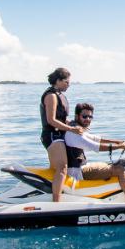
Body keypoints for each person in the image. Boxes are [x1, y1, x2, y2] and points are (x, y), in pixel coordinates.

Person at [63, 102, 125, 202]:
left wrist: (119, 141)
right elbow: (96, 146)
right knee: (119, 169)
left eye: (90, 117)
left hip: (79, 168)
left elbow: (96, 139)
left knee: (110, 164)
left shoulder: (75, 129)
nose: (87, 119)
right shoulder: (74, 133)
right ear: (77, 116)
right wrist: (120, 146)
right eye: (84, 116)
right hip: (77, 172)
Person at [40, 67, 87, 203]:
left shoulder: (60, 95)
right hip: (52, 135)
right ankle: (56, 202)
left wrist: (74, 125)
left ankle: (55, 193)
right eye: (66, 82)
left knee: (58, 168)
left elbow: (61, 119)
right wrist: (71, 130)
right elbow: (51, 120)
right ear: (58, 80)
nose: (69, 84)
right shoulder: (51, 96)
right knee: (62, 168)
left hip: (59, 135)